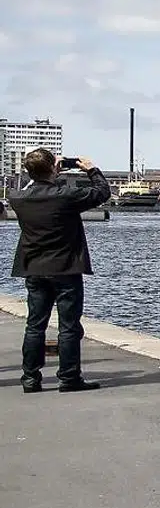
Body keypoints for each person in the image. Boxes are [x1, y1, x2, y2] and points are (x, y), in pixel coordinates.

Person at [8, 149, 111, 393]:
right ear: (54, 168)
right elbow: (102, 192)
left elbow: (33, 184)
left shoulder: (18, 198)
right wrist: (91, 169)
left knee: (35, 325)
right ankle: (69, 378)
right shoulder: (66, 196)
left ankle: (30, 379)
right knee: (68, 326)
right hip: (65, 268)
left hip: (33, 268)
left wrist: (48, 171)